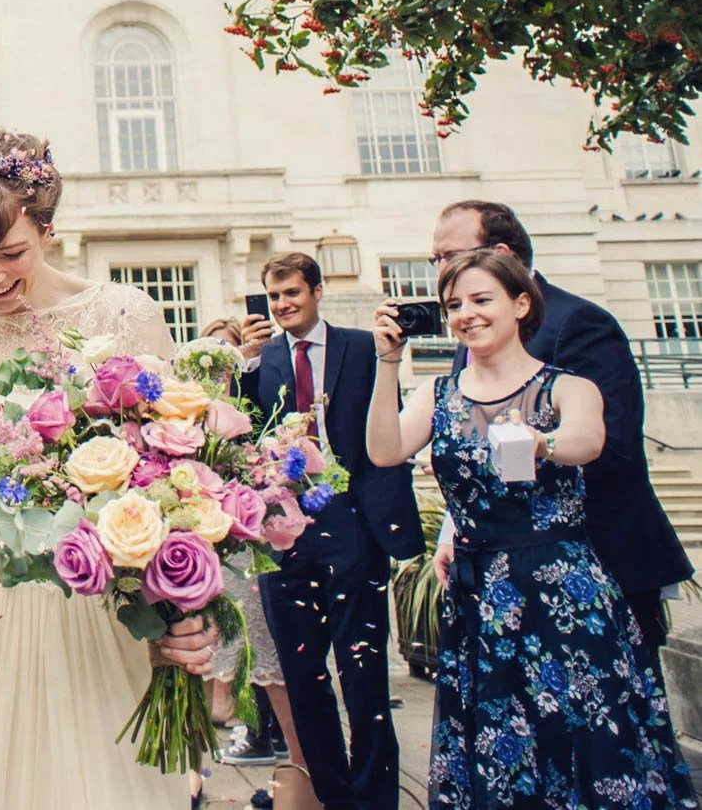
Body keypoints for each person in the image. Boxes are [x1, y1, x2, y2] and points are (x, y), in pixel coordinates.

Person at [0, 126, 216, 809]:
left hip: (100, 605)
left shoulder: (125, 315)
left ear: (48, 227)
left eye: (10, 252)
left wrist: (190, 612)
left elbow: (179, 481)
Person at [367, 249, 697, 807]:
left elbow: (588, 441)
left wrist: (543, 443)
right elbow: (384, 450)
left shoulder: (567, 387)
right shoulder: (439, 394)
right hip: (479, 595)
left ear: (521, 304)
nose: (465, 314)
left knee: (583, 733)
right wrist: (388, 364)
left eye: (480, 299)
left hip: (562, 589)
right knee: (500, 744)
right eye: (453, 305)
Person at [430, 200, 693, 648]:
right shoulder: (471, 329)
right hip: (505, 570)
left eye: (449, 256)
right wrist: (454, 527)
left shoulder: (578, 322)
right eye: (435, 259)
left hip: (596, 560)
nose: (439, 269)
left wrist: (534, 465)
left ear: (503, 255)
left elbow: (614, 446)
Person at [250, 252, 420, 810]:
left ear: (317, 291)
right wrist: (239, 366)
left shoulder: (361, 347)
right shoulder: (260, 360)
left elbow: (389, 425)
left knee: (364, 670)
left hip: (353, 522)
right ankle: (333, 796)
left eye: (292, 293)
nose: (282, 306)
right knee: (303, 675)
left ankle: (375, 800)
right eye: (274, 297)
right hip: (284, 531)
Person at [199, 316, 293, 806]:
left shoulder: (253, 395)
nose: (221, 360)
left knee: (259, 634)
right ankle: (251, 725)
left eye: (228, 350)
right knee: (231, 635)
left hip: (248, 533)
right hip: (214, 535)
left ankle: (269, 732)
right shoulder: (193, 408)